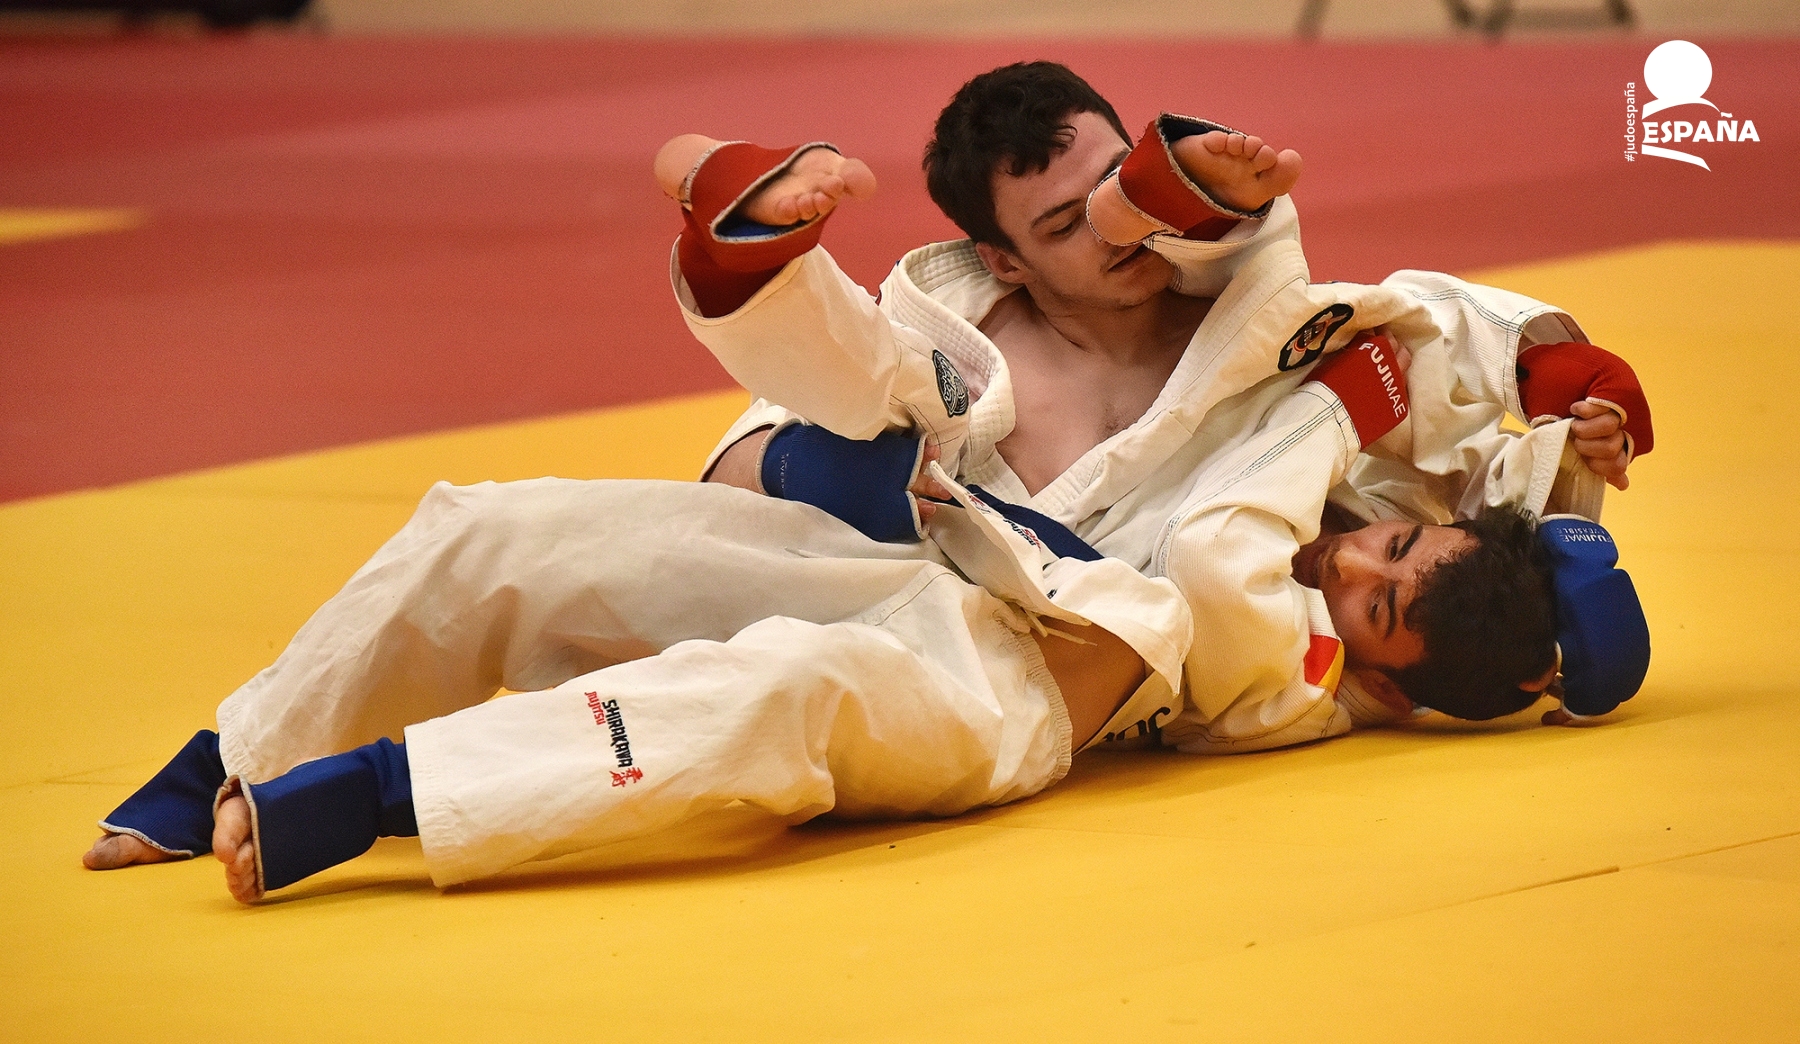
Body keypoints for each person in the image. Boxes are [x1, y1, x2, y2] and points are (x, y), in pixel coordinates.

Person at [82, 63, 1649, 904]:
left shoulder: (1284, 346)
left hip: (1012, 651)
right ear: (996, 255)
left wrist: (1570, 398)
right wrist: (784, 378)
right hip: (869, 545)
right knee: (489, 530)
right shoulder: (952, 334)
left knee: (786, 688)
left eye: (1124, 191)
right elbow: (775, 434)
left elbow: (1464, 376)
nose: (1113, 237)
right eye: (1069, 224)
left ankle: (375, 796)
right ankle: (242, 745)